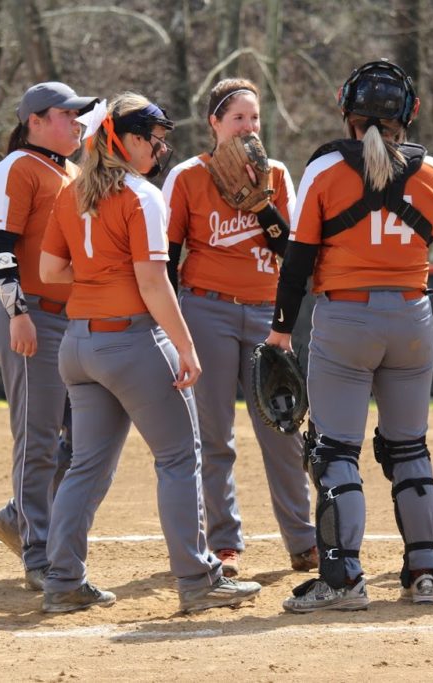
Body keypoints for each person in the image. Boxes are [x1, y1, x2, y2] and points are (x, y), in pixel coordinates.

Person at [37, 92, 262, 614]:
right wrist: (186, 346)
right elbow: (155, 283)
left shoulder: (71, 193)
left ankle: (64, 579)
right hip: (132, 341)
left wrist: (100, 276)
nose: (161, 151)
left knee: (86, 467)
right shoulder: (142, 194)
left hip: (79, 344)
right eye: (156, 141)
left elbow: (50, 272)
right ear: (130, 140)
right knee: (181, 458)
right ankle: (198, 578)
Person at [266, 59, 433, 612]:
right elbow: (430, 235)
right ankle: (423, 572)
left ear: (347, 112)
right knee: (409, 447)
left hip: (346, 319)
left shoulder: (324, 169)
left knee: (335, 451)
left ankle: (343, 579)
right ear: (408, 115)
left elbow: (297, 264)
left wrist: (280, 332)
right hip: (413, 319)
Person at [161, 78, 317, 577]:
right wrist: (169, 325)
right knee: (215, 435)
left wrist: (259, 203)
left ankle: (303, 539)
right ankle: (224, 545)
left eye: (254, 118)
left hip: (265, 311)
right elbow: (166, 257)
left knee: (283, 427)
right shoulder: (188, 176)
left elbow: (289, 253)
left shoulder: (275, 174)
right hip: (205, 310)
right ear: (214, 123)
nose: (248, 127)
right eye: (237, 119)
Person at [0, 81, 99, 591]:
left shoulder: (71, 170)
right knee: (39, 441)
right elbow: (0, 247)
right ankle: (37, 554)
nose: (75, 123)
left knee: (86, 440)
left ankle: (17, 516)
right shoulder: (18, 168)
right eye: (65, 114)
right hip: (31, 319)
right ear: (34, 120)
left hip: (71, 322)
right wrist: (17, 312)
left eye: (79, 116)